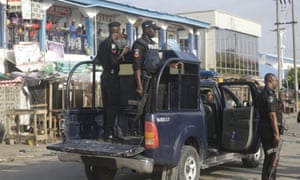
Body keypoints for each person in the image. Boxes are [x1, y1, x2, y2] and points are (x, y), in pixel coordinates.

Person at [95, 22, 128, 141]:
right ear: (117, 32)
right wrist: (122, 54)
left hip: (104, 76)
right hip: (112, 76)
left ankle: (106, 131)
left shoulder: (102, 43)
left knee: (106, 105)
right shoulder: (112, 45)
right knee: (112, 106)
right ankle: (109, 132)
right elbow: (114, 62)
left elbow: (97, 60)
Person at [132, 20, 161, 114]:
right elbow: (137, 66)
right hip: (145, 78)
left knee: (153, 105)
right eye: (154, 29)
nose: (155, 31)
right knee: (144, 107)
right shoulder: (139, 44)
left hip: (154, 77)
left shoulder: (153, 44)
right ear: (146, 29)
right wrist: (139, 85)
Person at [257, 73, 282, 180]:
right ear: (270, 80)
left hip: (265, 129)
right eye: (276, 80)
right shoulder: (269, 95)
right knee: (272, 158)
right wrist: (276, 134)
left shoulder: (263, 93)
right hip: (269, 131)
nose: (277, 83)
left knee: (269, 158)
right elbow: (272, 115)